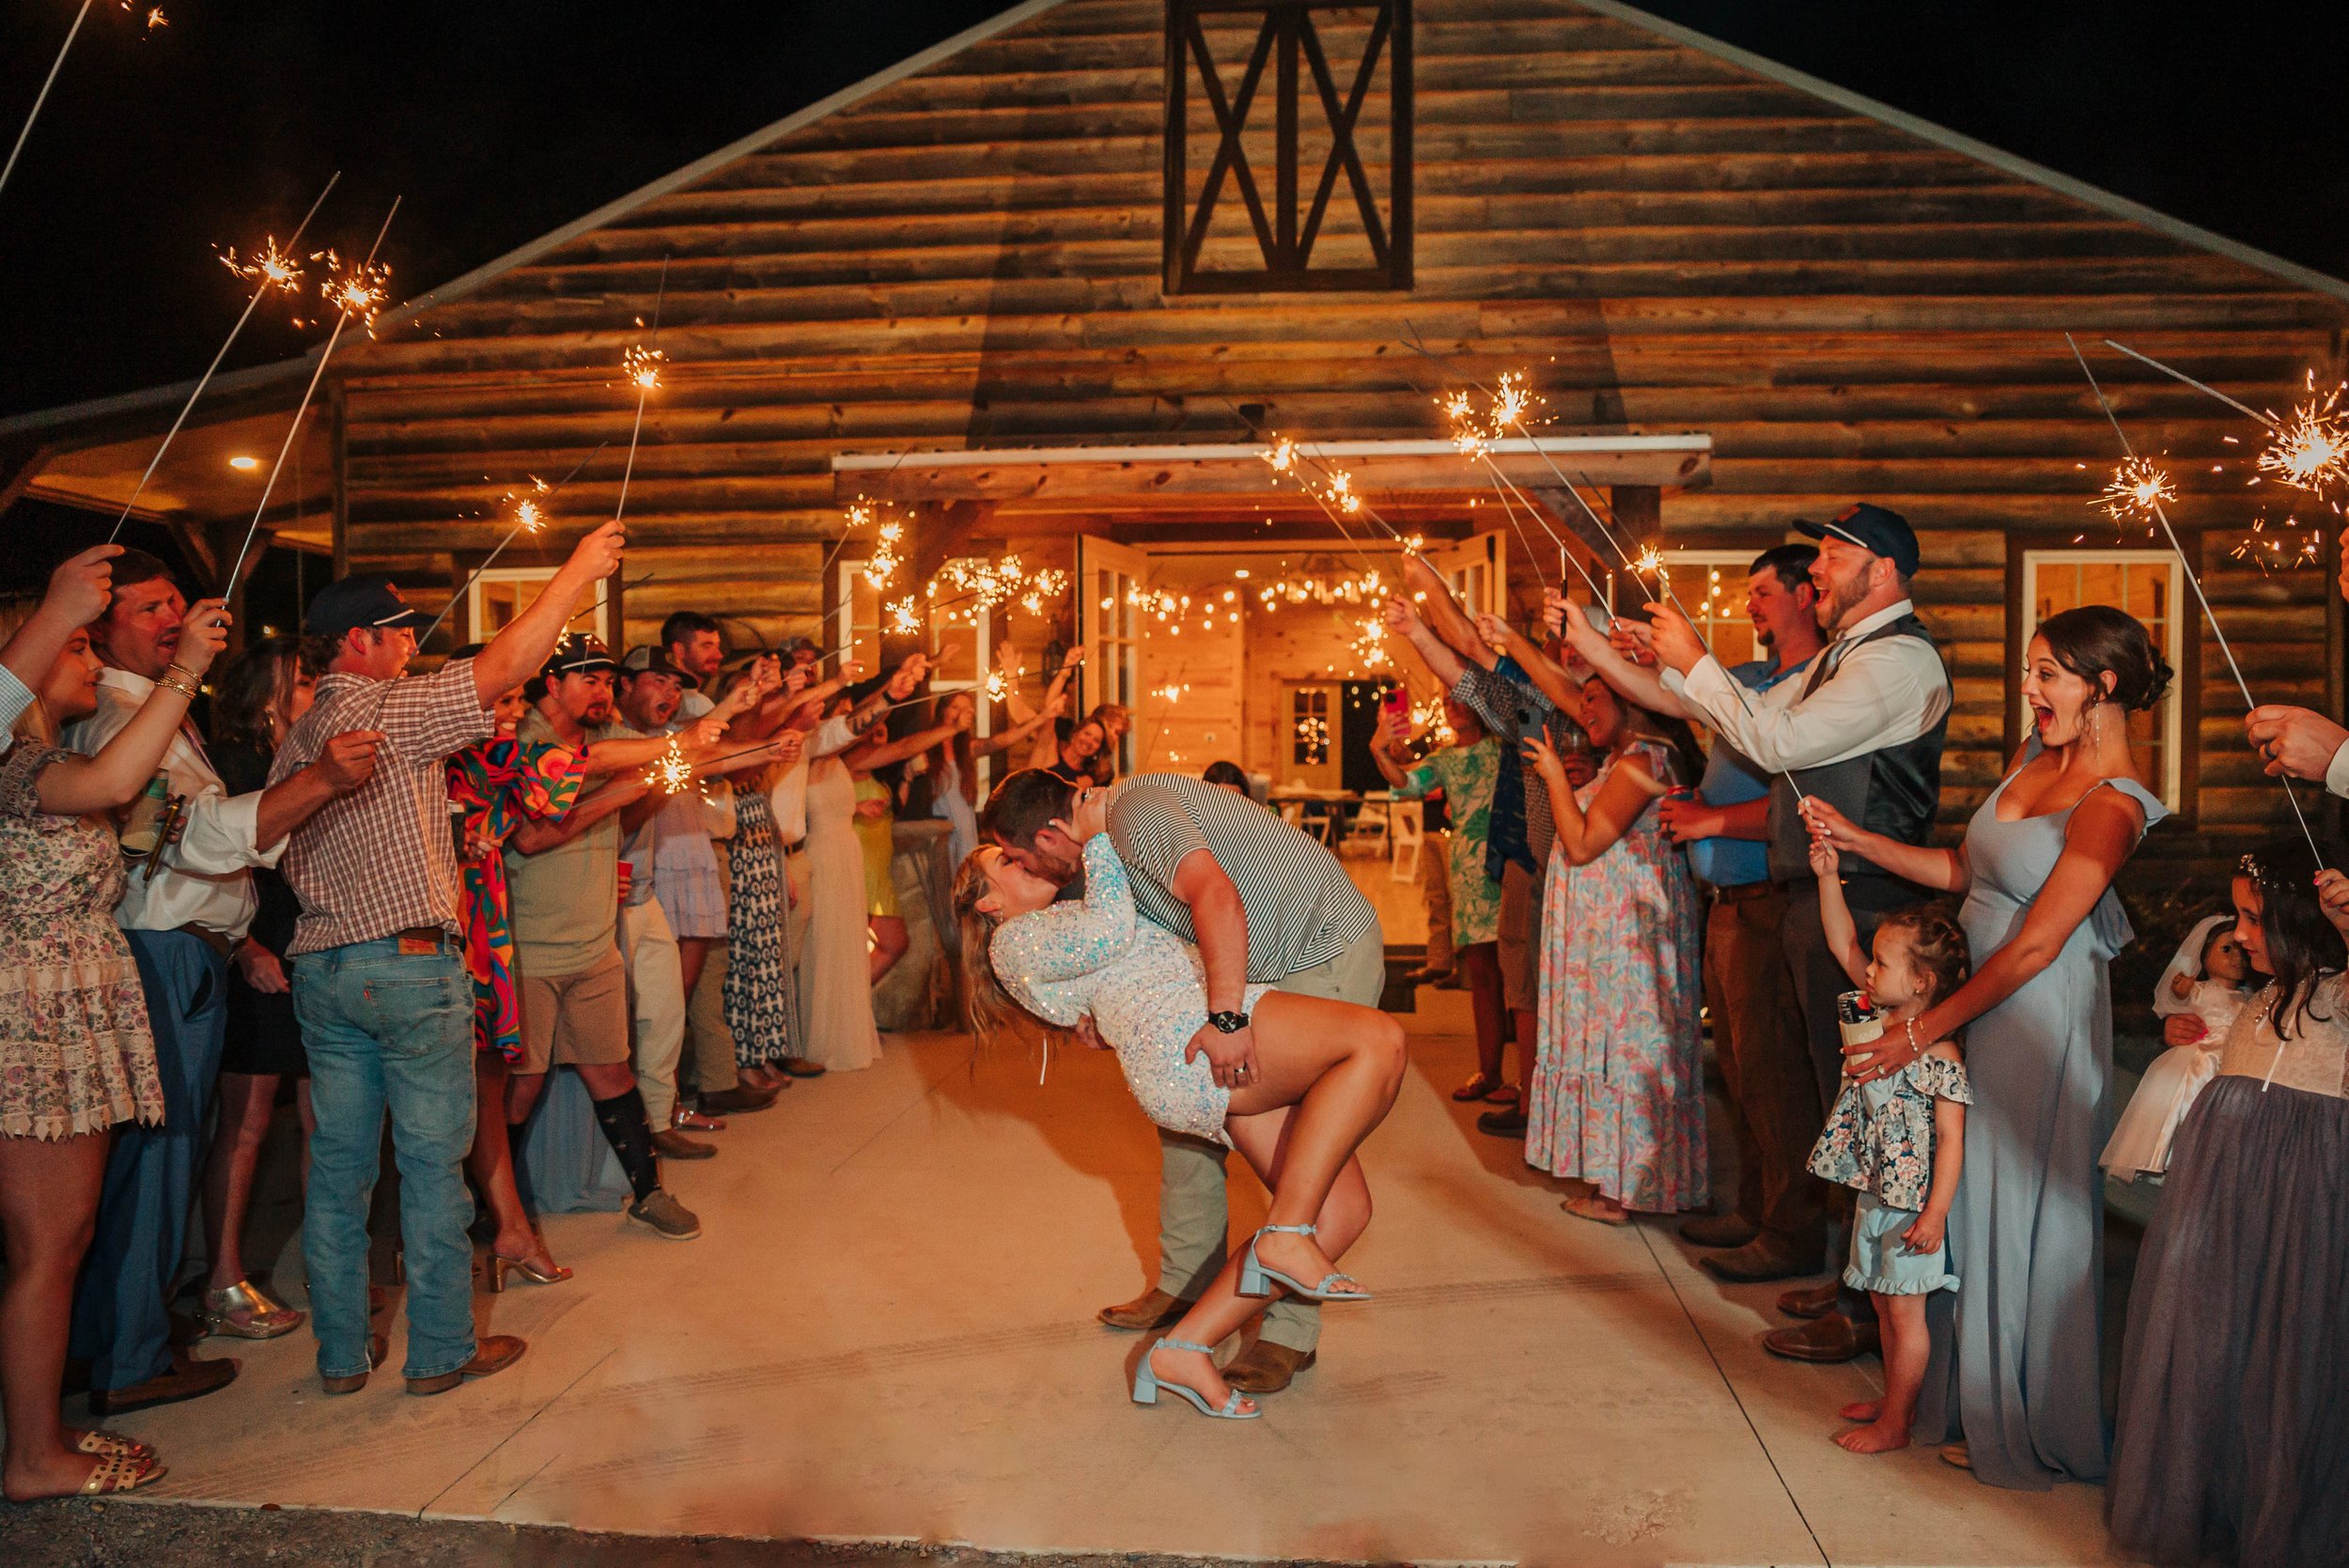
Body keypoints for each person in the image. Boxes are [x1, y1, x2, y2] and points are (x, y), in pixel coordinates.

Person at [1803, 604, 2170, 1487]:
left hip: (2035, 1015)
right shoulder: (2032, 756)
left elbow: (2040, 942)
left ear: (2102, 684)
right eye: (2030, 670)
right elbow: (1973, 872)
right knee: (1956, 1206)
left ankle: (2025, 1412)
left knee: (2015, 1210)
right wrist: (1861, 842)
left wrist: (1922, 1031)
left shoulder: (2113, 806)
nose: (2030, 689)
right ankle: (1951, 1393)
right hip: (1970, 997)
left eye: (2048, 673)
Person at [272, 520, 622, 1398]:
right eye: (399, 633)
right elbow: (505, 668)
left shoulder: (294, 739)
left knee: (340, 1171)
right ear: (359, 641)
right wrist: (578, 571)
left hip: (322, 970)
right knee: (432, 1166)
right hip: (409, 964)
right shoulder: (391, 708)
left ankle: (342, 1355)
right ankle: (437, 1350)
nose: (409, 646)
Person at [957, 793, 1406, 1421]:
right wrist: (1100, 835)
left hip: (1190, 1043)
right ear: (987, 902)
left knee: (1343, 1210)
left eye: (1014, 851)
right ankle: (1283, 1235)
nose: (1019, 860)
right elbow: (1112, 931)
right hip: (1189, 1039)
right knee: (1376, 1040)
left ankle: (1184, 1347)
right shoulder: (1014, 940)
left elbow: (1080, 1003)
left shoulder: (1054, 926)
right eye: (1002, 861)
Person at [67, 551, 378, 1416]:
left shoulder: (154, 708)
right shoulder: (114, 714)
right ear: (99, 624)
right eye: (150, 607)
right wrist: (317, 781)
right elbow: (192, 838)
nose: (172, 618)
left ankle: (116, 1341)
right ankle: (130, 1358)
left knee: (163, 1155)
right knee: (161, 1159)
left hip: (192, 949)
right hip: (164, 952)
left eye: (177, 603)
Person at [1641, 503, 1952, 1365]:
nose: (1817, 567)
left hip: (1868, 904)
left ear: (1882, 569)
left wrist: (1698, 661)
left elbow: (1775, 740)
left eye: (1832, 553)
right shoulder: (1849, 655)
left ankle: (1867, 1311)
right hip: (1830, 897)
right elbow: (1749, 708)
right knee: (1836, 1102)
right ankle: (1855, 1281)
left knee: (1868, 1108)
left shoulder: (1895, 663)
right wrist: (1678, 666)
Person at [0, 563, 223, 1501]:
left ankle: (37, 1437)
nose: (88, 656)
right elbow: (120, 773)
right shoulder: (18, 768)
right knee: (50, 1244)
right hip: (36, 1014)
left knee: (55, 1239)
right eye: (78, 645)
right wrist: (186, 671)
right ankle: (36, 1456)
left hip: (68, 1006)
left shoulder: (36, 764)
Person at [1556, 547, 1829, 1278]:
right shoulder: (1747, 679)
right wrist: (1585, 641)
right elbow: (1667, 695)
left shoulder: (1816, 686)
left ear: (1807, 595)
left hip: (1773, 898)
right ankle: (1753, 1206)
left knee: (1776, 1076)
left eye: (1765, 591)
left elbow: (1799, 804)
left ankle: (1792, 1233)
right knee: (1741, 1071)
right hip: (1727, 905)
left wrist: (1711, 822)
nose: (1751, 606)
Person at [2108, 839, 2349, 1568]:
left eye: (2251, 917)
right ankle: (2213, 1501)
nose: (2237, 934)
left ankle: (2282, 1519)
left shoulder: (2337, 992)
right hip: (2224, 1198)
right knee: (2217, 1345)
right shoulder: (2263, 996)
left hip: (2299, 1204)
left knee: (2289, 1354)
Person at [498, 634, 704, 1240]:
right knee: (521, 1086)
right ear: (551, 683)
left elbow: (620, 817)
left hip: (594, 943)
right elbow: (531, 836)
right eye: (588, 679)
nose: (603, 691)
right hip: (530, 947)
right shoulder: (522, 743)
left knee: (612, 1073)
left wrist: (649, 789)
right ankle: (494, 1208)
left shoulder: (599, 746)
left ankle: (650, 1194)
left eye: (609, 681)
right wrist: (627, 785)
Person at [1799, 843, 1972, 1455]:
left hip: (1911, 1208)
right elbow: (1842, 942)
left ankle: (1897, 1420)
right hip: (1875, 1193)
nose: (1867, 971)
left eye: (1881, 963)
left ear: (1921, 981)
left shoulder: (1940, 1055)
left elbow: (1952, 1139)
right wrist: (1827, 878)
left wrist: (1935, 1213)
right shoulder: (1876, 1019)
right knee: (1880, 1296)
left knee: (1904, 1313)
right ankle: (1894, 1398)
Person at [1519, 675, 1706, 1225]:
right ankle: (1621, 1180)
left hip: (1627, 941)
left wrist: (1553, 777)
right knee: (1619, 1048)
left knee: (1626, 1050)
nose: (1583, 706)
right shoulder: (1626, 761)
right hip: (1612, 936)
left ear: (1632, 699)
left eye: (1595, 695)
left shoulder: (1643, 762)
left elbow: (1581, 844)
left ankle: (1623, 1192)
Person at [445, 660, 584, 1291]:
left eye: (518, 696)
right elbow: (581, 768)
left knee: (489, 1077)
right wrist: (683, 745)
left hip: (487, 920)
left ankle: (507, 1225)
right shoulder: (460, 758)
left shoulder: (500, 757)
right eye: (503, 696)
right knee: (450, 1089)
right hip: (444, 923)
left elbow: (557, 789)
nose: (513, 707)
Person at [198, 636, 320, 1345]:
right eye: (301, 683)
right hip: (260, 952)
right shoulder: (233, 764)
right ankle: (223, 1276)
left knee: (324, 1117)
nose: (313, 693)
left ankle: (317, 1262)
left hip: (313, 950)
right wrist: (244, 946)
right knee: (244, 1126)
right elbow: (211, 864)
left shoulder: (306, 760)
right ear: (262, 694)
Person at [793, 655, 932, 1074]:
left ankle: (842, 1027)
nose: (837, 717)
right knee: (824, 946)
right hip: (824, 855)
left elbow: (853, 723)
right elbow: (851, 725)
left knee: (846, 946)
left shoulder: (835, 758)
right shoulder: (813, 750)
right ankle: (817, 1037)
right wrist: (888, 694)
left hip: (847, 856)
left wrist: (896, 691)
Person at [1369, 695, 1506, 1103]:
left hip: (1509, 864)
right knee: (1481, 975)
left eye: (1462, 698)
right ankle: (1490, 1072)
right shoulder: (1445, 760)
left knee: (1517, 977)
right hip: (1467, 869)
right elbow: (1407, 784)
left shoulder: (1503, 749)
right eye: (1448, 700)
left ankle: (1528, 1084)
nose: (1453, 706)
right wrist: (1378, 747)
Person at [2101, 914, 2248, 1181]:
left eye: (2241, 950)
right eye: (2227, 949)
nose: (2237, 957)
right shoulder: (2204, 990)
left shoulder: (2251, 996)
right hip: (2205, 1059)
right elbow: (2176, 1000)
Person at [921, 687, 1061, 865]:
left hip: (965, 832)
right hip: (938, 834)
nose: (961, 714)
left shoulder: (965, 751)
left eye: (966, 709)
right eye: (956, 707)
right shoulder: (925, 751)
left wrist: (1043, 717)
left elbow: (1003, 741)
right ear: (942, 710)